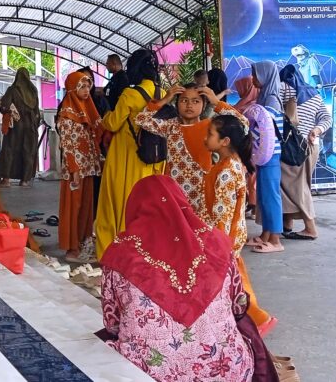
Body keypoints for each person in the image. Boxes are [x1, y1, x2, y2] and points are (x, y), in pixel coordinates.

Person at [100, 176, 256, 381]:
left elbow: (112, 324)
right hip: (229, 372)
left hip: (146, 375)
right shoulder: (217, 243)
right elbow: (239, 305)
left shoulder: (121, 254)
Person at [204, 114, 277, 336]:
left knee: (231, 285)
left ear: (225, 141)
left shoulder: (227, 170)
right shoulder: (230, 163)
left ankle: (255, 320)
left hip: (225, 237)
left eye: (210, 134)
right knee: (235, 282)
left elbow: (222, 215)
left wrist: (217, 244)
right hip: (230, 235)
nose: (205, 138)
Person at [134, 83, 245, 220]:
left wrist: (216, 102)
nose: (189, 105)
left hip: (202, 194)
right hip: (173, 193)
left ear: (204, 105)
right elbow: (141, 119)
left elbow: (243, 124)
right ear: (176, 103)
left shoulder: (210, 127)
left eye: (196, 101)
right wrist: (165, 99)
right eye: (184, 100)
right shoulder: (171, 126)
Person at [95, 49, 167, 259]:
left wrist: (105, 116)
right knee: (148, 203)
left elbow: (113, 123)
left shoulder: (130, 94)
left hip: (127, 156)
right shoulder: (162, 93)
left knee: (119, 201)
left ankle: (114, 251)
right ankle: (146, 250)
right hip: (153, 159)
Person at [279, 64, 333, 240]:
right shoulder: (313, 93)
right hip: (312, 146)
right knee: (295, 186)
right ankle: (287, 224)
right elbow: (327, 118)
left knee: (296, 187)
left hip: (293, 148)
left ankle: (310, 228)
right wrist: (316, 130)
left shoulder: (285, 89)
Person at [56, 70, 102, 263]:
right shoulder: (66, 114)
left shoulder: (87, 110)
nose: (86, 90)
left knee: (86, 207)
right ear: (71, 88)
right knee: (73, 208)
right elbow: (67, 144)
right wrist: (74, 169)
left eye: (88, 86)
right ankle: (72, 249)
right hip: (75, 170)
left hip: (88, 167)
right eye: (81, 86)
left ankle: (83, 243)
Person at [250, 61, 285, 254]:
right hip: (262, 154)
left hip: (270, 154)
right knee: (263, 195)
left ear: (266, 76)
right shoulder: (264, 96)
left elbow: (265, 128)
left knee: (271, 196)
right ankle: (265, 234)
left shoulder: (271, 99)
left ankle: (276, 240)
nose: (253, 78)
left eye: (256, 75)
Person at [232, 77, 278, 222]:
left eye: (241, 88)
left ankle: (253, 206)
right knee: (250, 178)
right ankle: (252, 205)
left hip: (254, 149)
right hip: (250, 148)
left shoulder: (254, 108)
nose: (239, 91)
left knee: (252, 177)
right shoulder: (254, 104)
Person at [0, 67, 41, 186]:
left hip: (16, 126)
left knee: (9, 149)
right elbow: (37, 111)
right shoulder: (33, 91)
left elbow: (5, 105)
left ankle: (6, 179)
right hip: (30, 126)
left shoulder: (12, 90)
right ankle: (24, 180)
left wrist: (2, 106)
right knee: (28, 151)